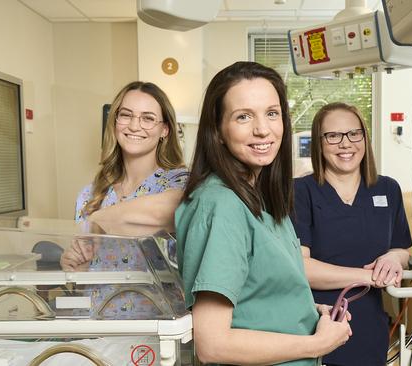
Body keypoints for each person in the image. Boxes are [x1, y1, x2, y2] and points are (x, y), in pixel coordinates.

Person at [174, 61, 351, 365]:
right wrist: (316, 343)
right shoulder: (222, 205)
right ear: (217, 130)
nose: (262, 129)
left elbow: (258, 299)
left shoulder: (262, 200)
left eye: (272, 113)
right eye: (243, 116)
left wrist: (308, 314)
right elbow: (213, 344)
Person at [292, 102, 412, 366]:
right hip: (317, 323)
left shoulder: (388, 189)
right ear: (319, 143)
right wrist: (369, 276)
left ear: (364, 138)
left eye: (353, 134)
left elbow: (402, 248)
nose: (345, 144)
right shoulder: (301, 192)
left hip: (369, 328)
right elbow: (301, 267)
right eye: (333, 136)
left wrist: (393, 259)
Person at [60, 81, 188, 318]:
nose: (134, 125)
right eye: (126, 115)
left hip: (152, 329)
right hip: (93, 326)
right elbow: (85, 276)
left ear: (165, 130)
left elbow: (170, 211)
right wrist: (75, 267)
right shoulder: (91, 194)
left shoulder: (178, 182)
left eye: (148, 118)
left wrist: (98, 220)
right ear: (115, 122)